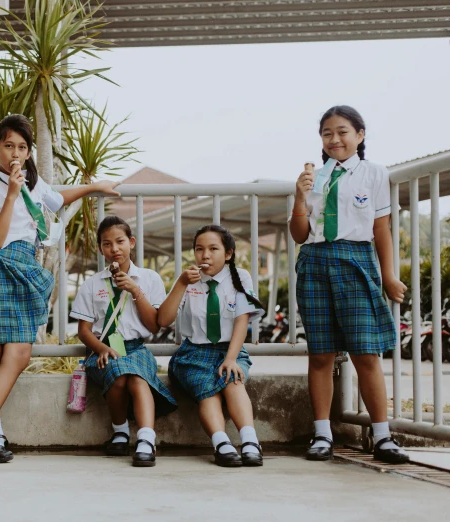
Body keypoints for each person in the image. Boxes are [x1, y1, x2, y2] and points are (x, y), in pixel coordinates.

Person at [0, 114, 121, 463]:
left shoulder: (34, 183)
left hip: (24, 267)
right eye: (8, 145)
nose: (15, 152)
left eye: (22, 146)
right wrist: (12, 194)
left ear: (29, 151)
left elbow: (57, 199)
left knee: (16, 351)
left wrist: (92, 187)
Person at [290, 105, 409, 464]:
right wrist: (299, 197)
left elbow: (381, 229)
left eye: (342, 131)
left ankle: (383, 436)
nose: (334, 139)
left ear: (360, 134)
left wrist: (388, 275)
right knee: (321, 353)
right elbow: (298, 234)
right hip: (313, 262)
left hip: (355, 259)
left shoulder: (374, 173)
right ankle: (322, 434)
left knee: (365, 352)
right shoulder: (313, 177)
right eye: (327, 133)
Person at [71, 216, 177, 467]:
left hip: (136, 348)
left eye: (120, 242)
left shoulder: (149, 279)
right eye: (107, 244)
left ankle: (146, 439)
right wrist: (101, 348)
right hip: (103, 349)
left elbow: (154, 325)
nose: (114, 249)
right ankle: (120, 432)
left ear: (131, 242)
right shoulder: (92, 283)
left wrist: (134, 291)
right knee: (118, 376)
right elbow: (84, 331)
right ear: (100, 249)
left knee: (137, 377)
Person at [158, 225, 265, 467]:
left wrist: (231, 358)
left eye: (213, 249)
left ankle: (250, 441)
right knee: (207, 390)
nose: (205, 255)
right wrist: (181, 283)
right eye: (199, 249)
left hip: (231, 349)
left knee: (233, 380)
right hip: (193, 354)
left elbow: (241, 320)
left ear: (228, 254)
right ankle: (221, 444)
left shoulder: (240, 276)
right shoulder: (188, 280)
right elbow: (163, 320)